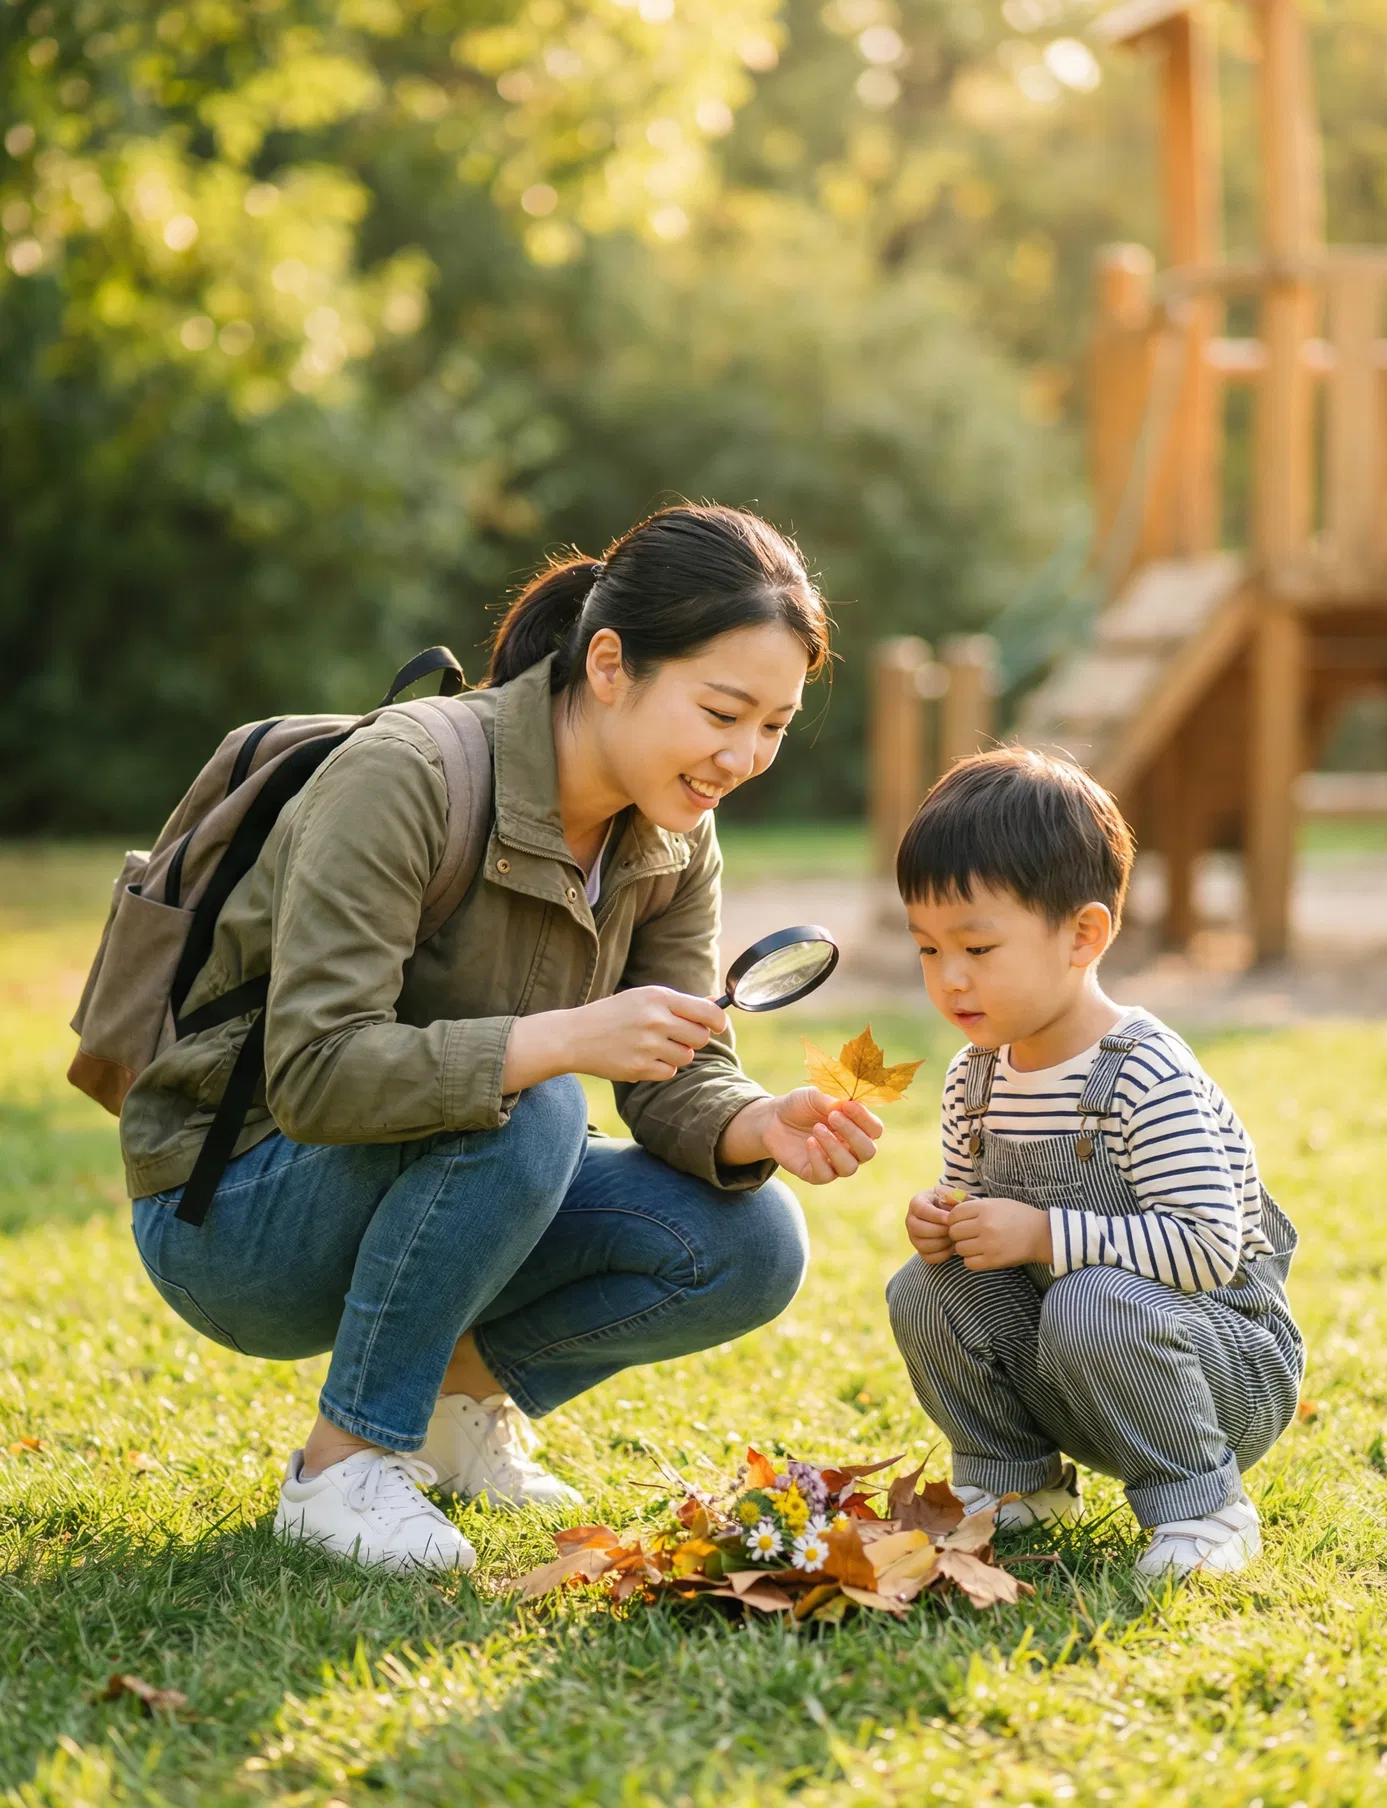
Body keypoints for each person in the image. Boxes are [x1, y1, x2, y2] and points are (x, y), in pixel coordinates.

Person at [124, 505, 883, 1571]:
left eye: (775, 724)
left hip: (447, 1174)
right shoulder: (411, 775)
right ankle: (343, 1467)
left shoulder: (675, 831)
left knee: (755, 1242)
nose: (743, 755)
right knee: (540, 1094)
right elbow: (312, 1071)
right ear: (609, 664)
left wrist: (756, 1120)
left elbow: (676, 1067)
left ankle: (454, 1413)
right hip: (236, 1210)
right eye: (722, 710)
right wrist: (561, 1039)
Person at [886, 749, 1302, 1582]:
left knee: (1094, 1298)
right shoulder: (976, 1077)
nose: (950, 978)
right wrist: (945, 1226)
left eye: (977, 946)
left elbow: (1205, 1250)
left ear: (1084, 935)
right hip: (1070, 1362)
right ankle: (1015, 1486)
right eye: (928, 950)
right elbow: (982, 1244)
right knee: (922, 1287)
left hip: (1215, 1367)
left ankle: (1205, 1506)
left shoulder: (1144, 1073)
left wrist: (1041, 1230)